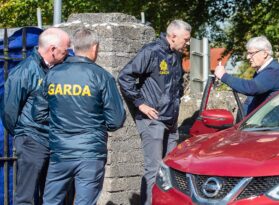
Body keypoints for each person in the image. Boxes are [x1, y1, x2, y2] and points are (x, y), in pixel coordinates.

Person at [32, 28, 126, 205]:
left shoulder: (53, 74)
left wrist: (60, 123)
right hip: (90, 154)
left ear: (73, 48)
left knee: (51, 201)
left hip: (60, 152)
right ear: (95, 47)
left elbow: (38, 114)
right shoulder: (102, 76)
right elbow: (116, 120)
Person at [118, 19, 191, 205]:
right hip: (153, 121)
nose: (188, 43)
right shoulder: (151, 51)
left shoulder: (175, 55)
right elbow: (125, 76)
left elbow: (177, 85)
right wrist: (140, 104)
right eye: (186, 39)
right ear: (173, 36)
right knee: (154, 170)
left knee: (170, 170)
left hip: (171, 122)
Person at [2, 27, 70, 205]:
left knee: (53, 196)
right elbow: (9, 110)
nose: (68, 53)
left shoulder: (64, 68)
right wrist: (23, 134)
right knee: (26, 196)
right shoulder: (24, 72)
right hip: (32, 140)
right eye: (65, 50)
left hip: (56, 141)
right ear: (52, 50)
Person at [214, 36, 279, 115]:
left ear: (264, 53)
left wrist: (224, 76)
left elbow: (251, 88)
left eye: (251, 53)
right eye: (248, 53)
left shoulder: (274, 71)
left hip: (272, 125)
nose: (248, 57)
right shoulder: (262, 71)